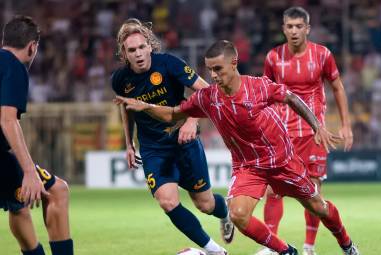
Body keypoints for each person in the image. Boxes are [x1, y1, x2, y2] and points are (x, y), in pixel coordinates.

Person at [115, 40, 360, 255]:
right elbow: (172, 114)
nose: (213, 75)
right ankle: (286, 251)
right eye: (210, 70)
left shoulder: (258, 87)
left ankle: (347, 244)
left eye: (218, 69)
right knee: (238, 215)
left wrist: (317, 125)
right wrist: (144, 106)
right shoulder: (208, 97)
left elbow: (291, 97)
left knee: (319, 208)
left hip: (282, 161)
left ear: (234, 63)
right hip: (248, 167)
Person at [111, 19, 233, 255]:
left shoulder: (169, 64)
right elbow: (125, 108)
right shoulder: (120, 79)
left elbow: (207, 92)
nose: (138, 54)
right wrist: (128, 143)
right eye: (131, 50)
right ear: (124, 54)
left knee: (205, 204)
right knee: (167, 201)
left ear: (150, 46)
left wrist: (191, 120)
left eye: (141, 47)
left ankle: (225, 211)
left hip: (184, 143)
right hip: (154, 149)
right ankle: (216, 251)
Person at [260, 7, 354, 255]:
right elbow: (267, 95)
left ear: (307, 29)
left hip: (313, 133)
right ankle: (272, 247)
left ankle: (309, 247)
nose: (293, 31)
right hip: (282, 134)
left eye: (298, 26)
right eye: (289, 26)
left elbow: (338, 87)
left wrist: (345, 124)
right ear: (283, 29)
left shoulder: (322, 55)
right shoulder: (273, 58)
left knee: (313, 192)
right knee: (273, 189)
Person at [0, 15, 73, 255]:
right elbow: (8, 120)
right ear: (33, 46)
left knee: (18, 204)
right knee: (56, 190)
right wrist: (30, 172)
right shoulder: (13, 66)